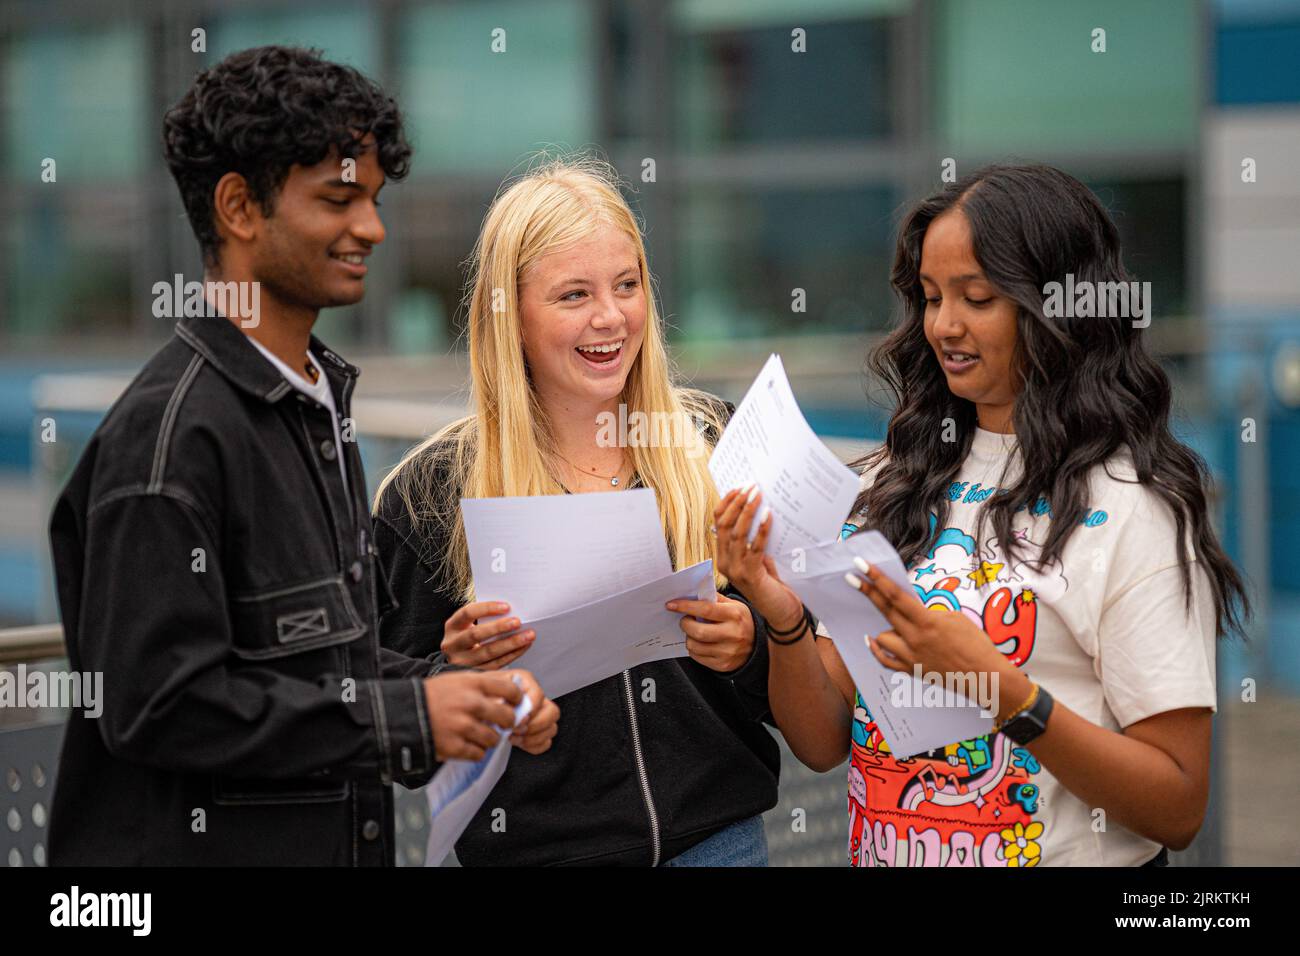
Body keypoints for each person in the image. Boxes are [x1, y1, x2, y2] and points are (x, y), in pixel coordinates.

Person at [47, 45, 557, 866]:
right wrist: (407, 719)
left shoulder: (312, 405)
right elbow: (157, 706)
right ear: (240, 207)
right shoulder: (169, 438)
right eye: (338, 198)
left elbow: (311, 669)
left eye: (376, 199)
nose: (373, 227)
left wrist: (439, 683)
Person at [715, 163, 1249, 867]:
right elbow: (819, 743)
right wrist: (780, 613)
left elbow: (1178, 805)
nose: (944, 325)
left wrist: (1001, 692)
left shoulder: (1131, 506)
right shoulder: (895, 482)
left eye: (978, 297)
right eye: (932, 298)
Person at [374, 156, 779, 866]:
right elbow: (393, 739)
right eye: (572, 295)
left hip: (720, 844)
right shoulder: (429, 493)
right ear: (510, 315)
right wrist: (455, 676)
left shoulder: (713, 439)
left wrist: (751, 649)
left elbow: (806, 678)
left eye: (628, 285)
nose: (610, 316)